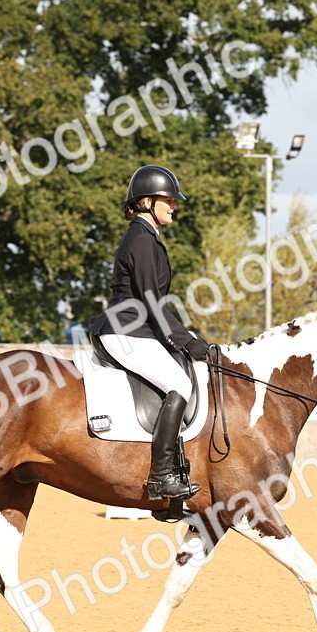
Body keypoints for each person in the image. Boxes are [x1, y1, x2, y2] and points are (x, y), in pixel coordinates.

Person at [88, 165, 211, 501]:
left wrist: (185, 332)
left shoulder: (147, 238)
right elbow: (152, 300)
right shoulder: (141, 240)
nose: (174, 205)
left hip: (136, 329)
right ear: (146, 202)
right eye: (167, 199)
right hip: (127, 332)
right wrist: (186, 341)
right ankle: (161, 477)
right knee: (180, 384)